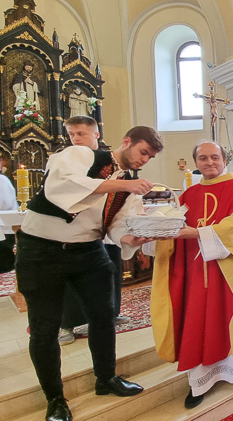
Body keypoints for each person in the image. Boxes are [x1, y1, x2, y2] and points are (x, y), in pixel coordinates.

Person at [16, 126, 163, 421]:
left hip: (88, 249)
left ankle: (106, 378)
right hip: (41, 249)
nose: (144, 160)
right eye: (143, 152)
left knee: (104, 316)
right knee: (45, 327)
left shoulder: (128, 185)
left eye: (150, 157)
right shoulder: (82, 154)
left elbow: (117, 224)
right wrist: (123, 186)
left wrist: (130, 238)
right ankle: (55, 399)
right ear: (127, 142)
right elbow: (62, 185)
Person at [151, 141, 233, 409]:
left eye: (215, 157)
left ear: (224, 160)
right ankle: (200, 381)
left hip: (231, 266)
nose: (209, 162)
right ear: (196, 162)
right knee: (198, 319)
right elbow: (173, 226)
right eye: (203, 158)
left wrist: (198, 233)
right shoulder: (187, 196)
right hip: (196, 270)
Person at [58, 116, 129, 347]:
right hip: (77, 229)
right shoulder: (67, 160)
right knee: (74, 278)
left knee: (110, 272)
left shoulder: (111, 161)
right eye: (71, 134)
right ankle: (67, 324)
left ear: (96, 134)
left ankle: (111, 313)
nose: (75, 139)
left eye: (81, 134)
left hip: (107, 227)